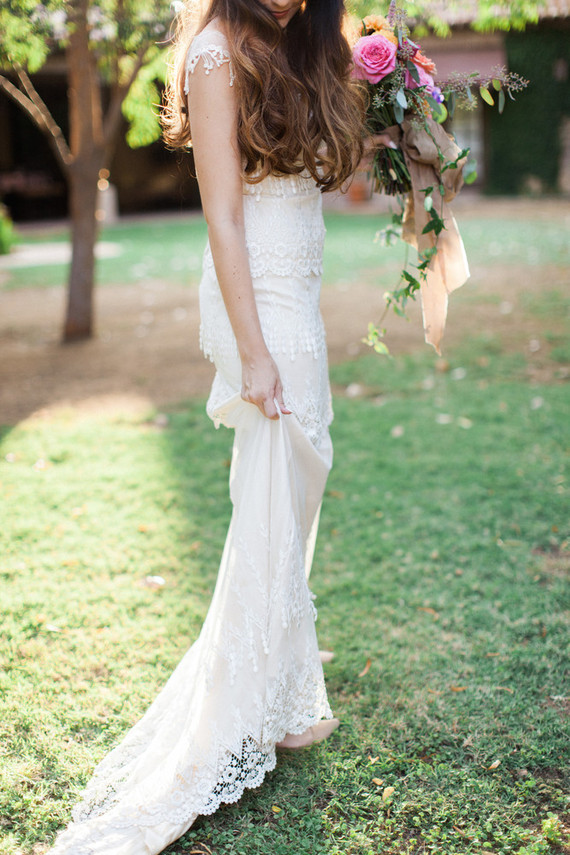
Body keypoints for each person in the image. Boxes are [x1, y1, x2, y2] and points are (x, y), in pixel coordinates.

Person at [47, 1, 386, 852]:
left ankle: (283, 687)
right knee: (272, 489)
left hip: (298, 292)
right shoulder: (211, 53)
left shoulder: (296, 46)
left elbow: (323, 177)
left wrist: (398, 113)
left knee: (298, 483)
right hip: (259, 302)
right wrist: (254, 351)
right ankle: (236, 720)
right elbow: (223, 216)